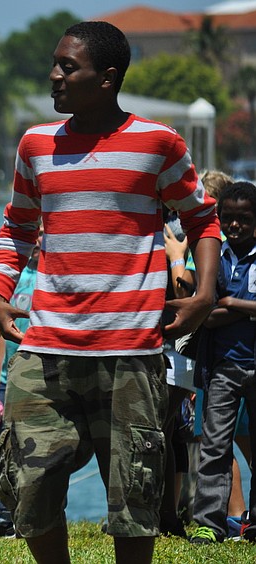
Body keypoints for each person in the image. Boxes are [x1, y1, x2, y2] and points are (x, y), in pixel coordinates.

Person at [0, 21, 220, 564]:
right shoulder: (36, 144)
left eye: (69, 67)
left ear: (107, 78)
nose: (54, 76)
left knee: (133, 501)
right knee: (28, 486)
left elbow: (203, 220)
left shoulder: (158, 143)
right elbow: (18, 226)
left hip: (132, 354)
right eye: (55, 64)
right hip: (45, 348)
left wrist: (204, 294)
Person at [189, 181, 256, 545]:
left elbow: (218, 307)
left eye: (243, 219)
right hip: (222, 368)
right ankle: (209, 523)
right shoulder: (215, 255)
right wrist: (239, 311)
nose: (235, 226)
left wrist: (230, 304)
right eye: (228, 218)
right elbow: (204, 313)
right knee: (215, 446)